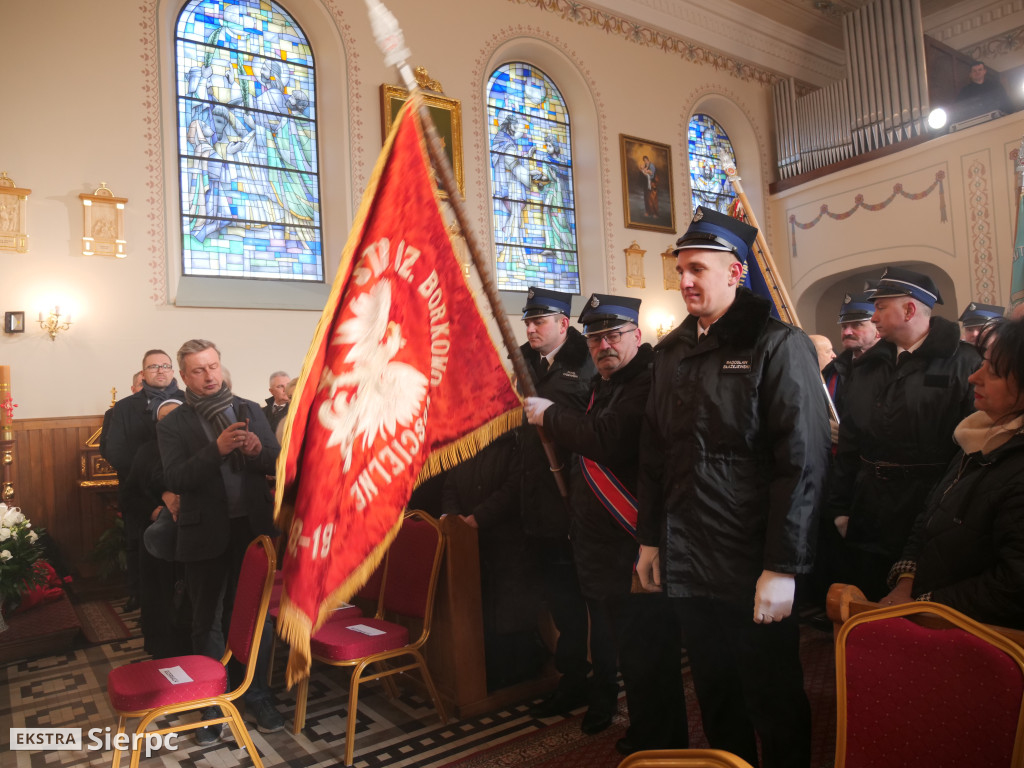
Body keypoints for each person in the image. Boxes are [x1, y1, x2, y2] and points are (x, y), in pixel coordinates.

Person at [637, 206, 830, 768]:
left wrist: (783, 565)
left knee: (772, 697)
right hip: (689, 558)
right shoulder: (671, 353)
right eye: (680, 270)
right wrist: (650, 541)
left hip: (752, 561)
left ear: (735, 272)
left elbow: (802, 464)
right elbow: (655, 456)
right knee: (717, 695)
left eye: (698, 268)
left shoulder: (777, 344)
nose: (686, 281)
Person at [525, 293, 687, 755]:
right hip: (606, 547)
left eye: (613, 335)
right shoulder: (610, 384)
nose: (603, 346)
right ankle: (646, 733)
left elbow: (608, 441)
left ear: (637, 335)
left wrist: (551, 414)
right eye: (595, 338)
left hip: (636, 544)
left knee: (651, 654)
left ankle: (664, 746)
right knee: (633, 654)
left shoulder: (646, 383)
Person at [827, 267, 981, 600]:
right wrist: (841, 505)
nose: (874, 315)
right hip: (869, 511)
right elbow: (851, 441)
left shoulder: (964, 363)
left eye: (881, 307)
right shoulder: (867, 366)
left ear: (909, 310)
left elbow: (972, 451)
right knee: (865, 606)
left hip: (930, 512)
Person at [157, 339, 284, 741]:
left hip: (251, 531)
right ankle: (210, 701)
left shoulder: (249, 409)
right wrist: (216, 449)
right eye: (198, 370)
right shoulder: (172, 423)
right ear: (184, 376)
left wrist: (258, 447)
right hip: (203, 535)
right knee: (206, 621)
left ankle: (258, 695)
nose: (209, 375)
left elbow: (276, 460)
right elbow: (176, 477)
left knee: (255, 617)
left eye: (213, 366)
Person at [882, 318, 1024, 630]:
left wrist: (926, 605)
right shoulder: (980, 437)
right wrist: (907, 580)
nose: (974, 377)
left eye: (995, 372)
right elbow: (932, 512)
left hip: (979, 636)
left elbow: (1014, 584)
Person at [516, 287, 601, 723]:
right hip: (538, 504)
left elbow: (594, 431)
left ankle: (600, 684)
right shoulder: (524, 362)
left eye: (540, 321)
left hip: (579, 502)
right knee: (560, 600)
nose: (530, 328)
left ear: (563, 324)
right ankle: (573, 678)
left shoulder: (585, 362)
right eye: (527, 321)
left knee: (593, 603)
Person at [101, 350, 182, 612]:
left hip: (182, 491)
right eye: (153, 366)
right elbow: (116, 452)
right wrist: (151, 492)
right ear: (143, 373)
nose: (160, 370)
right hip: (140, 494)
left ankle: (181, 600)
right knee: (138, 546)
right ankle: (142, 597)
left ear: (173, 371)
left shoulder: (190, 402)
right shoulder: (124, 407)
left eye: (165, 366)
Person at [822, 290, 880, 420]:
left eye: (857, 325)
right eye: (844, 326)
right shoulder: (832, 371)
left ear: (878, 329)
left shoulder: (891, 365)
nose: (847, 332)